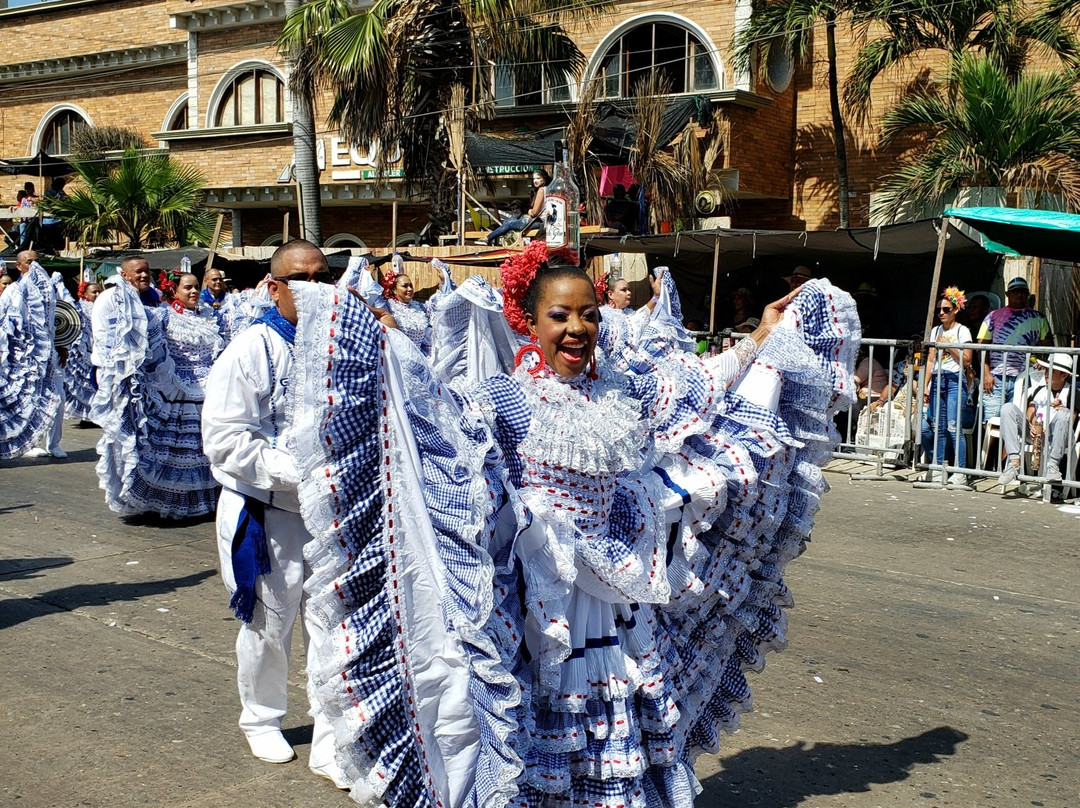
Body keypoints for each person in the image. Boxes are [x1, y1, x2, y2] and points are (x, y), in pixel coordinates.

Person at [281, 240, 860, 806]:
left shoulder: (622, 387)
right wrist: (387, 356)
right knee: (547, 730)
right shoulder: (504, 399)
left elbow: (702, 381)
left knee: (622, 720)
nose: (576, 327)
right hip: (545, 605)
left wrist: (761, 337)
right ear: (530, 322)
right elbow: (442, 441)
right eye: (559, 315)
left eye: (588, 314)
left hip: (620, 589)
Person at [200, 239, 346, 788]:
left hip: (328, 513)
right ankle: (261, 717)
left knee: (332, 625)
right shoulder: (251, 349)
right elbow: (227, 440)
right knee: (270, 621)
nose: (313, 288)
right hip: (266, 510)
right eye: (300, 278)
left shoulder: (340, 347)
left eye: (323, 277)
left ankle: (335, 736)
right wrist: (301, 471)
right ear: (275, 286)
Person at [0, 251, 64, 459]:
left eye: (37, 261)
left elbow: (61, 318)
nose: (35, 266)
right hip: (25, 357)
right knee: (30, 399)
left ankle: (54, 444)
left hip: (51, 355)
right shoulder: (14, 291)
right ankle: (31, 442)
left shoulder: (51, 290)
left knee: (58, 398)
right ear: (19, 266)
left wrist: (63, 344)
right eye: (30, 262)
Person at [997, 352, 1078, 487]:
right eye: (1046, 369)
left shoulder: (1072, 392)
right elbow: (1030, 410)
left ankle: (1053, 465)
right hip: (1036, 433)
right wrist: (1033, 422)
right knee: (1007, 408)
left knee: (1065, 414)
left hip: (1057, 436)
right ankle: (1014, 462)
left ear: (1064, 375)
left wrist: (1062, 408)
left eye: (1051, 371)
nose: (1046, 373)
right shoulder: (1039, 389)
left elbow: (1072, 419)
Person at [977, 277, 1052, 421]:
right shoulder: (993, 316)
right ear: (1007, 294)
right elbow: (981, 347)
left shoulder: (1039, 318)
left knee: (1016, 421)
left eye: (1023, 291)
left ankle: (1009, 445)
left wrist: (1041, 364)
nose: (1019, 294)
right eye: (1015, 291)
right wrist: (986, 373)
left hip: (1026, 377)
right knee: (991, 420)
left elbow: (1047, 347)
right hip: (996, 377)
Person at [921, 287, 974, 485]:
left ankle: (959, 470)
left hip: (954, 380)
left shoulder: (963, 331)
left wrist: (948, 346)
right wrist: (925, 385)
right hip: (938, 379)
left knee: (954, 426)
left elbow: (967, 359)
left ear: (955, 310)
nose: (941, 313)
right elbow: (930, 361)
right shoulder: (935, 331)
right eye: (939, 310)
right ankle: (939, 467)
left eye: (946, 309)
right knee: (938, 426)